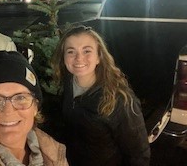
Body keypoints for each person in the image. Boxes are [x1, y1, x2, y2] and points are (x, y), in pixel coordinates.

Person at [52, 25, 150, 166]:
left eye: (87, 51)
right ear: (64, 57)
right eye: (71, 51)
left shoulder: (119, 100)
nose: (79, 58)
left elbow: (138, 154)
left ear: (99, 57)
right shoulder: (67, 82)